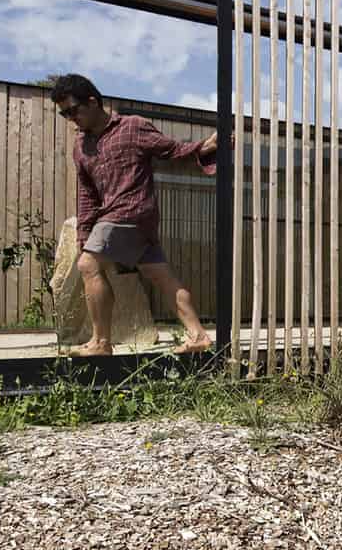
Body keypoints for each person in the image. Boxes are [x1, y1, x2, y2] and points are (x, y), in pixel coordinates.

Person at [49, 73, 218, 356]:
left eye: (73, 110)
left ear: (92, 102)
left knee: (88, 265)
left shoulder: (132, 127)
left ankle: (101, 343)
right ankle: (198, 335)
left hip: (131, 212)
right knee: (161, 276)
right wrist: (83, 233)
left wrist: (205, 147)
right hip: (126, 220)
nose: (70, 118)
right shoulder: (82, 147)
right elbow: (87, 194)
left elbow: (171, 150)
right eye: (64, 114)